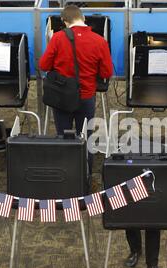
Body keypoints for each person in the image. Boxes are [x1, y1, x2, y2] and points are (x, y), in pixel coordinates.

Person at [39, 5, 113, 175]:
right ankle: (85, 175)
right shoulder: (99, 41)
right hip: (86, 96)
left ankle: (65, 175)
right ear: (83, 18)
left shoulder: (57, 38)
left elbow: (43, 65)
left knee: (63, 137)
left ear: (64, 21)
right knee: (85, 138)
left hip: (62, 96)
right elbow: (107, 72)